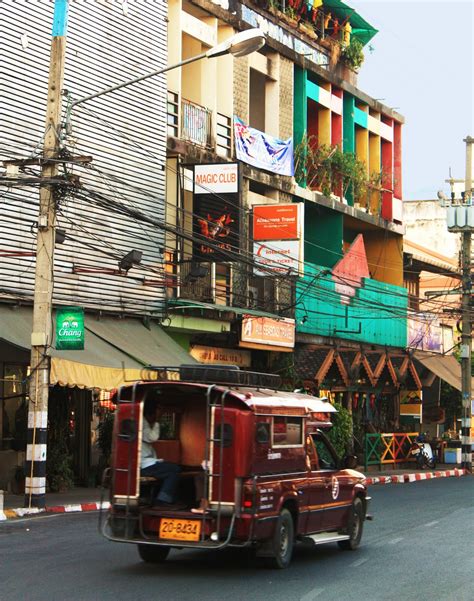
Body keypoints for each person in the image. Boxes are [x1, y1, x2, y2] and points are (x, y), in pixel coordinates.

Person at [141, 398, 182, 508]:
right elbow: (152, 437)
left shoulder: (143, 421)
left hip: (147, 462)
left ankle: (166, 498)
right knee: (175, 470)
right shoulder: (142, 422)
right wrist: (158, 421)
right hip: (144, 465)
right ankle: (162, 500)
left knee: (174, 468)